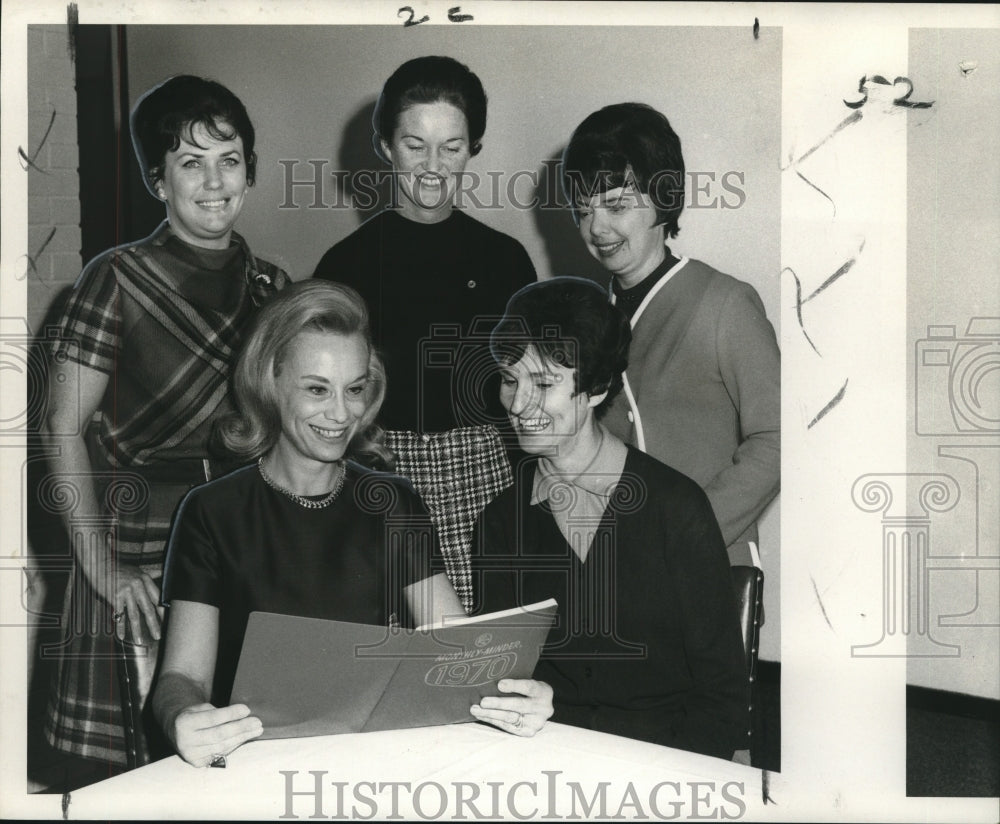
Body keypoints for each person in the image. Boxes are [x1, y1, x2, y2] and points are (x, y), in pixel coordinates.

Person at [154, 281, 553, 766]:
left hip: (366, 760)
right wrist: (183, 716)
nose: (341, 413)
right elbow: (182, 677)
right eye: (317, 389)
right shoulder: (210, 511)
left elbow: (457, 651)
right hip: (250, 761)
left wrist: (515, 696)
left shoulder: (391, 502)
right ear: (270, 382)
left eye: (355, 389)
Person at [41, 75, 287, 769]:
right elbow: (61, 426)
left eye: (229, 159)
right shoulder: (114, 278)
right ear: (158, 181)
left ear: (250, 170)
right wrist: (101, 567)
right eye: (189, 162)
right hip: (139, 553)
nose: (214, 181)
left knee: (240, 758)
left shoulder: (274, 287)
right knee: (140, 775)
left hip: (238, 547)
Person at [472, 277, 748, 760]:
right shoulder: (500, 521)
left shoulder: (675, 508)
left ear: (597, 387)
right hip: (545, 761)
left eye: (543, 382)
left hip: (668, 763)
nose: (517, 405)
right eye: (510, 379)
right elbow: (498, 679)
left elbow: (722, 702)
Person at [561, 103, 780, 566]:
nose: (596, 228)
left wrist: (685, 534)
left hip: (707, 567)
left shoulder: (725, 304)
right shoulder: (587, 318)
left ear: (662, 199)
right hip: (612, 573)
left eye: (616, 205)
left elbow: (778, 442)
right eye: (583, 210)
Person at [313, 55, 536, 433]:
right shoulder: (343, 266)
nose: (433, 166)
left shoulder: (507, 260)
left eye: (451, 148)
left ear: (473, 148)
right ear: (386, 147)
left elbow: (530, 391)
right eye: (415, 146)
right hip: (375, 467)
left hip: (491, 471)